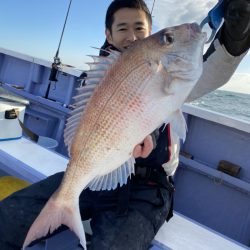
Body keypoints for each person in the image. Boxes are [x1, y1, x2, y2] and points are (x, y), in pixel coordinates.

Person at [0, 0, 249, 249]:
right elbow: (109, 122)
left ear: (149, 31)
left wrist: (235, 39)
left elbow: (208, 75)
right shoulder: (98, 78)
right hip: (92, 175)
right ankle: (63, 205)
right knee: (6, 218)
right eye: (122, 28)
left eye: (140, 28)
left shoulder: (172, 74)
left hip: (146, 190)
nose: (132, 36)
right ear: (108, 34)